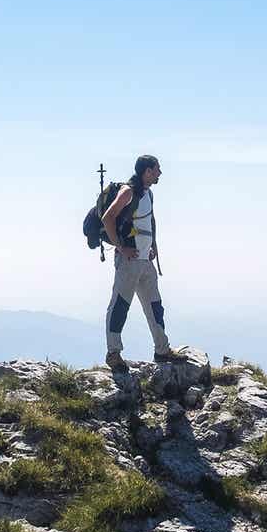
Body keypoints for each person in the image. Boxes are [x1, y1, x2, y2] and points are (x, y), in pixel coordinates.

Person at [102, 155, 184, 371]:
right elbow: (107, 218)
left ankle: (162, 349)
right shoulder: (128, 192)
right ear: (147, 171)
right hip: (128, 261)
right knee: (120, 306)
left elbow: (149, 220)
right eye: (157, 169)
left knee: (155, 306)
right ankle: (113, 354)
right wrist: (121, 247)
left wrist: (154, 245)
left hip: (145, 261)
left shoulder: (148, 193)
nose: (160, 173)